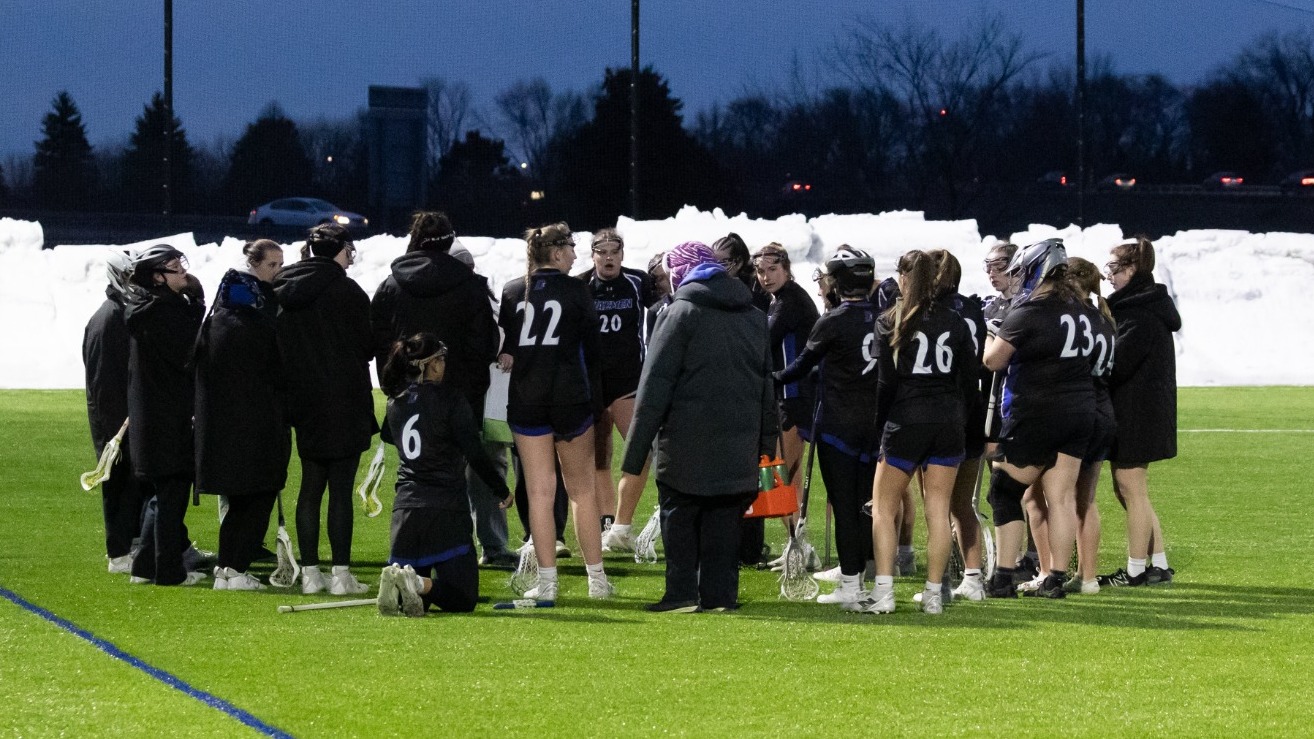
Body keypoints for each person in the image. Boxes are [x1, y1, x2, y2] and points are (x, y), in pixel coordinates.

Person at [621, 241, 778, 612]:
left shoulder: (679, 313)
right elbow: (765, 386)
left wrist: (634, 453)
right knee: (725, 518)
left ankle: (681, 593)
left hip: (685, 440)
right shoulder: (754, 315)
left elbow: (655, 386)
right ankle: (720, 596)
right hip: (739, 439)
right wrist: (766, 445)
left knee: (680, 514)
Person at [370, 212, 509, 567]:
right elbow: (486, 343)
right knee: (477, 464)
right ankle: (490, 545)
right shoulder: (470, 284)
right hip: (460, 396)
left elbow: (379, 341)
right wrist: (470, 387)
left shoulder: (391, 285)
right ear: (449, 242)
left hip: (409, 396)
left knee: (414, 471)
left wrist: (397, 388)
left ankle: (410, 547)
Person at [846, 250, 975, 615]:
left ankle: (884, 593)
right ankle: (934, 596)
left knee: (884, 510)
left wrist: (879, 428)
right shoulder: (955, 320)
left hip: (906, 422)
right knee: (938, 511)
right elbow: (969, 382)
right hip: (947, 422)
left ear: (904, 278)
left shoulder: (891, 320)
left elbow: (885, 385)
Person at [497, 222, 611, 601]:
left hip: (527, 400)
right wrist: (596, 404)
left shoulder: (514, 290)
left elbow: (505, 353)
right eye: (572, 248)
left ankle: (547, 584)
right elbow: (593, 354)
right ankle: (597, 581)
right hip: (570, 398)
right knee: (582, 491)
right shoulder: (577, 289)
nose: (576, 255)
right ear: (558, 252)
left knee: (540, 493)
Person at [979, 238, 1095, 600]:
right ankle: (1054, 578)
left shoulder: (1030, 311)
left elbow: (993, 361)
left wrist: (990, 332)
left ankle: (1003, 576)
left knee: (1003, 492)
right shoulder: (1080, 309)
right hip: (1080, 409)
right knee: (1060, 498)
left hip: (1039, 411)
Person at [376, 333, 514, 616]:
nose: (444, 365)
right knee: (463, 599)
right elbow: (475, 453)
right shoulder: (451, 400)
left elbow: (389, 435)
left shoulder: (394, 402)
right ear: (430, 365)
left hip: (405, 512)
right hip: (445, 510)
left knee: (420, 604)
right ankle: (415, 581)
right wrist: (501, 490)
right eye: (440, 359)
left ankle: (406, 583)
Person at [273, 223, 377, 596]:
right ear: (339, 250)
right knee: (340, 490)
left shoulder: (283, 288)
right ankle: (340, 574)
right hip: (345, 398)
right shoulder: (348, 292)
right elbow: (368, 346)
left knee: (311, 487)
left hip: (304, 399)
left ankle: (311, 573)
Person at [774, 246, 880, 606]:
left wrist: (766, 379)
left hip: (838, 425)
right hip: (875, 425)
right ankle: (868, 578)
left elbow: (799, 366)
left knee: (845, 504)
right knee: (868, 504)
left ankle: (850, 584)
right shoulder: (884, 316)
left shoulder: (833, 320)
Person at [194, 269, 291, 591]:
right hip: (255, 429)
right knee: (257, 500)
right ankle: (235, 569)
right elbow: (279, 376)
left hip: (219, 431)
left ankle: (226, 567)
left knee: (236, 505)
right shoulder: (255, 328)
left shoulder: (212, 326)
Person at [124, 244, 209, 586]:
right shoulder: (166, 314)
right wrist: (198, 307)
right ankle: (168, 570)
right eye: (175, 268)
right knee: (172, 494)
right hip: (168, 416)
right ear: (158, 277)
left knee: (162, 495)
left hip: (151, 416)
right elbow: (191, 355)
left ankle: (145, 565)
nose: (183, 272)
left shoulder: (146, 310)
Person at [1099, 236, 1181, 586]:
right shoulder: (1145, 306)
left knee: (1131, 487)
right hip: (1142, 410)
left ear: (1131, 270)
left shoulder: (1139, 313)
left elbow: (1116, 365)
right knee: (1132, 490)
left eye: (1114, 270)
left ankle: (1134, 570)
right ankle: (1157, 564)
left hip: (1137, 413)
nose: (1109, 278)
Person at [576, 228, 658, 548]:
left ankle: (623, 522)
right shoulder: (581, 286)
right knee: (598, 457)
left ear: (622, 254)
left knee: (640, 451)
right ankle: (608, 524)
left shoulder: (638, 282)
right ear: (593, 254)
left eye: (614, 251)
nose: (608, 257)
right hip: (591, 384)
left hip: (628, 381)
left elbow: (667, 306)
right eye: (602, 251)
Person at [926, 249, 991, 602]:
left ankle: (939, 583)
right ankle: (973, 577)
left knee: (935, 502)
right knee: (961, 503)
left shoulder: (932, 312)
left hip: (939, 409)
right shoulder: (973, 309)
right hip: (973, 409)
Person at [754, 243, 820, 569]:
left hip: (793, 400)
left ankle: (800, 547)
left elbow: (763, 342)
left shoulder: (788, 302)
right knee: (786, 477)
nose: (765, 277)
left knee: (772, 475)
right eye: (761, 271)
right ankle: (797, 547)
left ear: (786, 269)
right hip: (794, 398)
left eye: (772, 270)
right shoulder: (782, 300)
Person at [82, 248, 147, 573]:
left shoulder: (123, 313)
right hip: (116, 421)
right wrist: (115, 433)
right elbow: (103, 383)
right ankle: (119, 552)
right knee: (119, 485)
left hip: (125, 415)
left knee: (134, 485)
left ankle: (133, 545)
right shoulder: (108, 319)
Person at [711, 233, 771, 567]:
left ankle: (748, 546)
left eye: (720, 261)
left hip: (748, 394)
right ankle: (740, 545)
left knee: (751, 475)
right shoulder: (744, 296)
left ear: (736, 263)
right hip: (741, 394)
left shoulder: (755, 299)